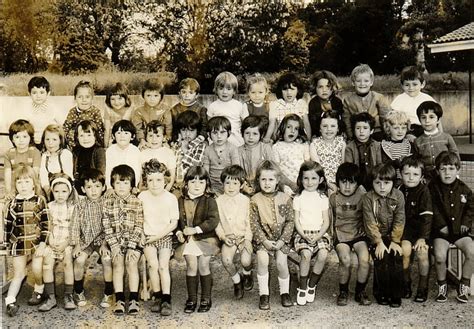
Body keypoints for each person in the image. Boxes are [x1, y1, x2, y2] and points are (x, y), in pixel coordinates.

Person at [3, 164, 49, 316]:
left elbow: (46, 224)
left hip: (36, 243)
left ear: (34, 183)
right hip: (18, 243)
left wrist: (43, 243)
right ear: (15, 185)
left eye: (27, 182)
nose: (23, 186)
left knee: (37, 268)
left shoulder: (39, 201)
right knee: (18, 273)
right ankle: (10, 301)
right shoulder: (12, 204)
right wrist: (6, 242)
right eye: (19, 182)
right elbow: (8, 225)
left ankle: (39, 288)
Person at [249, 160, 295, 310]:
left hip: (282, 239)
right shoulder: (254, 200)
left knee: (281, 262)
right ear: (258, 180)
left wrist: (283, 240)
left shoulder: (285, 198)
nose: (267, 183)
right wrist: (264, 241)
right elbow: (254, 224)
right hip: (264, 240)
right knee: (262, 261)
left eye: (271, 179)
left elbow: (290, 221)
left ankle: (285, 293)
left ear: (277, 180)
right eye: (263, 179)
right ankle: (264, 294)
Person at [429, 151, 474, 303]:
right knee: (440, 257)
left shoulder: (464, 189)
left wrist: (465, 224)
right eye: (443, 169)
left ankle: (464, 284)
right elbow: (432, 208)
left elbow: (471, 208)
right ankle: (442, 286)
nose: (447, 173)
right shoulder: (432, 188)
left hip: (459, 231)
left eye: (451, 169)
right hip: (441, 232)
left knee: (472, 252)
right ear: (437, 170)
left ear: (458, 170)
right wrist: (440, 225)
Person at [175, 166, 220, 313]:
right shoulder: (181, 200)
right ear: (186, 183)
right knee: (192, 265)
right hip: (189, 240)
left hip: (206, 238)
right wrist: (179, 233)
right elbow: (177, 222)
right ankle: (192, 298)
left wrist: (195, 229)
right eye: (193, 182)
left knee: (203, 265)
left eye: (201, 182)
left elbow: (213, 220)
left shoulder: (209, 200)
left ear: (206, 184)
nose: (197, 186)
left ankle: (206, 298)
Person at [139, 159, 179, 315]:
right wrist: (142, 235)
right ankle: (157, 295)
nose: (154, 184)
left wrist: (155, 238)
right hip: (147, 237)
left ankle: (166, 299)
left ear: (165, 181)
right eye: (150, 180)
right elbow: (139, 220)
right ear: (146, 181)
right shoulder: (142, 196)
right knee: (152, 265)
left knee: (163, 266)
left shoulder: (170, 198)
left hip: (164, 237)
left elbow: (173, 224)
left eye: (158, 180)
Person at [103, 165, 144, 315]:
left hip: (133, 242)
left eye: (125, 183)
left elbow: (139, 225)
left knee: (131, 262)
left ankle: (134, 299)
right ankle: (119, 298)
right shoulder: (107, 202)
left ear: (132, 185)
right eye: (118, 182)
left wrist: (132, 246)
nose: (121, 186)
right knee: (118, 263)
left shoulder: (136, 202)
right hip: (115, 242)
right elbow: (106, 225)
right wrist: (114, 246)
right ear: (112, 184)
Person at [362, 163, 405, 308]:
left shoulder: (398, 196)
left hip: (393, 236)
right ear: (372, 183)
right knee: (382, 257)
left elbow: (400, 219)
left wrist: (395, 241)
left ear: (393, 182)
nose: (382, 187)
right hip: (375, 237)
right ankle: (381, 293)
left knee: (396, 256)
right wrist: (378, 242)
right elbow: (370, 223)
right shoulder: (368, 198)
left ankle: (396, 294)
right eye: (377, 183)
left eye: (386, 183)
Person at [69, 168, 113, 309]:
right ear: (83, 189)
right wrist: (76, 245)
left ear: (104, 187)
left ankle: (108, 292)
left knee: (107, 260)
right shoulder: (80, 205)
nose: (93, 191)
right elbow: (75, 226)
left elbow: (110, 226)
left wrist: (106, 244)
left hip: (103, 241)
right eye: (89, 187)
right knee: (79, 260)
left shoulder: (107, 203)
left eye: (97, 186)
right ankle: (78, 291)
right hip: (85, 240)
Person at [330, 163, 371, 306]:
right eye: (343, 182)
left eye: (352, 182)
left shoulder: (363, 195)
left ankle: (360, 291)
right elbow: (329, 218)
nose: (347, 186)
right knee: (345, 259)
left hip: (358, 233)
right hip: (341, 234)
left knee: (365, 259)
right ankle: (343, 291)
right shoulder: (333, 198)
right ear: (338, 182)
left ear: (358, 183)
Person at [294, 161, 331, 306]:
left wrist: (318, 235)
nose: (309, 182)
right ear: (301, 179)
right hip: (303, 232)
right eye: (306, 178)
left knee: (323, 254)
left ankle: (312, 285)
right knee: (306, 254)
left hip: (320, 232)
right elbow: (297, 221)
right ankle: (302, 287)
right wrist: (303, 235)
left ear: (321, 180)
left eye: (314, 178)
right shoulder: (298, 198)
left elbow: (326, 222)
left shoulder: (323, 198)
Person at [38, 173, 77, 311]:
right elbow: (46, 226)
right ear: (52, 192)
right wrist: (50, 240)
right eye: (56, 191)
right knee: (47, 263)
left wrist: (66, 243)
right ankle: (51, 297)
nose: (60, 195)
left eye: (64, 191)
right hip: (52, 240)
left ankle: (68, 295)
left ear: (69, 192)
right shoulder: (48, 206)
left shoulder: (73, 208)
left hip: (67, 242)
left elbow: (74, 229)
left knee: (68, 262)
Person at [215, 165, 253, 299]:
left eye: (235, 183)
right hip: (228, 237)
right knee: (226, 260)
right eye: (227, 183)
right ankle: (237, 281)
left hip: (243, 237)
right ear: (223, 184)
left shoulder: (246, 201)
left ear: (242, 185)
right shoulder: (218, 201)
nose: (231, 187)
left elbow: (250, 223)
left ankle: (247, 273)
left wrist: (247, 239)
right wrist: (223, 236)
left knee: (246, 261)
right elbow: (217, 223)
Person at [399, 156, 433, 303]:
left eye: (415, 174)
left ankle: (422, 287)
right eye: (407, 174)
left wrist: (422, 237)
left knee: (422, 253)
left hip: (421, 232)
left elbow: (427, 218)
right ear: (400, 174)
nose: (411, 178)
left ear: (422, 176)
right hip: (405, 231)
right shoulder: (398, 190)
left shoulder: (424, 191)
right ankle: (406, 283)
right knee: (405, 251)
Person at [342, 64, 390, 140]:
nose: (362, 84)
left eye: (366, 81)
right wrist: (350, 137)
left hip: (376, 132)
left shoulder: (379, 97)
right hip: (358, 134)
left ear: (371, 82)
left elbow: (385, 118)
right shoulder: (348, 100)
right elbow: (346, 121)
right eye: (358, 81)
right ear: (353, 83)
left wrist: (387, 136)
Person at [414, 101, 458, 182]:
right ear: (419, 120)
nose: (427, 121)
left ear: (438, 120)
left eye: (431, 117)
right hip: (427, 179)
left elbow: (455, 156)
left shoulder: (447, 137)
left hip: (445, 175)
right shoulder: (418, 141)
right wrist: (421, 176)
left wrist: (455, 173)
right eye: (423, 117)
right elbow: (417, 162)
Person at [390, 66, 438, 137]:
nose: (411, 88)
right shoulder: (399, 100)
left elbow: (437, 119)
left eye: (415, 84)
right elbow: (393, 120)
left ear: (422, 84)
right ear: (402, 85)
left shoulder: (428, 99)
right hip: (406, 130)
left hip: (425, 128)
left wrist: (441, 135)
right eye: (407, 85)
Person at [264, 72, 311, 142]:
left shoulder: (301, 103)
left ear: (298, 90)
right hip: (281, 139)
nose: (289, 93)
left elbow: (306, 124)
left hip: (299, 139)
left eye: (292, 89)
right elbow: (272, 124)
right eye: (285, 89)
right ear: (281, 90)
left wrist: (309, 140)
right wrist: (267, 138)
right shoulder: (275, 105)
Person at [207, 71, 248, 147]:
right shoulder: (213, 106)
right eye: (221, 88)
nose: (224, 92)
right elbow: (210, 125)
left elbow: (246, 123)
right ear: (216, 89)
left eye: (229, 89)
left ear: (234, 91)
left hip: (235, 138)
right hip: (218, 137)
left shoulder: (239, 105)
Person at [309, 110, 346, 195]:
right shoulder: (314, 144)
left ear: (338, 129)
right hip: (322, 181)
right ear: (320, 128)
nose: (329, 129)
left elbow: (343, 166)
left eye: (333, 126)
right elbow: (318, 169)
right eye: (325, 126)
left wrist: (338, 184)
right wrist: (328, 184)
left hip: (339, 181)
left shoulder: (342, 143)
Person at [272, 114, 310, 194]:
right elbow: (277, 171)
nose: (292, 131)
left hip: (302, 181)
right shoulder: (277, 147)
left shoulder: (303, 145)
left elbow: (308, 166)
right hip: (286, 182)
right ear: (283, 128)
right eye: (289, 127)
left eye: (296, 129)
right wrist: (290, 184)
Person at [344, 112, 383, 190]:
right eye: (358, 128)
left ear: (371, 131)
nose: (361, 131)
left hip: (374, 181)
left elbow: (379, 165)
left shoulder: (377, 145)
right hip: (357, 182)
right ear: (354, 130)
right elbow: (349, 169)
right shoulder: (350, 147)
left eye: (365, 128)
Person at [171, 111, 207, 193]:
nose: (187, 134)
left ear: (197, 131)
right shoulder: (176, 144)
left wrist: (185, 149)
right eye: (183, 130)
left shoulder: (201, 145)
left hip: (193, 186)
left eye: (191, 131)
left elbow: (197, 165)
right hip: (175, 185)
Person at [202, 116, 240, 195]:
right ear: (209, 134)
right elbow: (206, 170)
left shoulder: (233, 149)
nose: (219, 136)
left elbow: (236, 169)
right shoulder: (207, 150)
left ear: (229, 133)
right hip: (213, 185)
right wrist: (208, 185)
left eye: (222, 132)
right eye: (215, 133)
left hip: (229, 184)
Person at [4, 119, 41, 197]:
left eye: (24, 137)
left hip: (30, 184)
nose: (21, 140)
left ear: (30, 138)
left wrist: (31, 189)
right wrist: (9, 191)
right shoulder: (9, 154)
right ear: (12, 139)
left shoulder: (35, 152)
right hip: (16, 184)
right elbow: (7, 174)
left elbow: (35, 173)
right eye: (17, 137)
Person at [63, 80, 105, 149]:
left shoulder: (95, 111)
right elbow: (66, 127)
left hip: (91, 141)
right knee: (71, 132)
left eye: (87, 97)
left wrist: (101, 146)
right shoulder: (73, 112)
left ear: (92, 98)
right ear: (75, 98)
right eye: (80, 97)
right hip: (76, 143)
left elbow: (100, 129)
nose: (84, 100)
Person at [238, 115, 274, 195]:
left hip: (264, 185)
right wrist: (244, 186)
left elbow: (272, 169)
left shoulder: (266, 148)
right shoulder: (238, 151)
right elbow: (238, 173)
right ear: (242, 134)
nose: (250, 137)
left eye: (255, 134)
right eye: (247, 133)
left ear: (261, 135)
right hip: (244, 187)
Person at [131, 78, 172, 147]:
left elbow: (168, 126)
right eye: (148, 95)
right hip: (144, 141)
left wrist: (166, 139)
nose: (152, 99)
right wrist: (142, 140)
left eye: (156, 96)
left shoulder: (165, 109)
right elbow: (138, 128)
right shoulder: (139, 111)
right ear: (143, 96)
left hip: (162, 141)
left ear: (161, 97)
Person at [381, 110, 417, 186]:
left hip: (409, 180)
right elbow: (384, 164)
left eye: (403, 128)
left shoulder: (409, 144)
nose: (400, 131)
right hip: (392, 180)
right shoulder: (384, 145)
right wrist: (397, 162)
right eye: (396, 128)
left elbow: (415, 161)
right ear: (388, 128)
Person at [140, 120, 177, 191]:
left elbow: (172, 177)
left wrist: (165, 192)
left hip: (165, 189)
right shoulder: (143, 153)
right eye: (150, 136)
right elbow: (141, 177)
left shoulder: (168, 153)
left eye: (158, 136)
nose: (154, 139)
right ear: (146, 137)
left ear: (164, 137)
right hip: (147, 190)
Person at [39, 124, 73, 198]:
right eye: (47, 139)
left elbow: (68, 176)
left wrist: (58, 193)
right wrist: (48, 191)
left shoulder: (65, 154)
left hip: (64, 190)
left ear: (60, 140)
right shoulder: (45, 156)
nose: (50, 143)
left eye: (54, 139)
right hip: (50, 191)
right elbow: (43, 175)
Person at [72, 120, 106, 193]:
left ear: (95, 136)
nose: (85, 139)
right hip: (78, 185)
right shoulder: (75, 151)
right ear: (77, 137)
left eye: (89, 135)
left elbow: (101, 172)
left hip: (94, 185)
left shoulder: (99, 151)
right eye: (81, 135)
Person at [24, 76, 60, 146]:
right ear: (29, 94)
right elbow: (22, 126)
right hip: (33, 142)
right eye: (34, 93)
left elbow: (62, 125)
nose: (38, 96)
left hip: (50, 142)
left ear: (48, 93)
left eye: (41, 92)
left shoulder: (53, 108)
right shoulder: (27, 108)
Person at [105, 120, 141, 188]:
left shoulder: (135, 151)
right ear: (113, 136)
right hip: (114, 186)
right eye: (118, 133)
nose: (122, 136)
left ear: (132, 136)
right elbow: (107, 171)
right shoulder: (110, 151)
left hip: (130, 186)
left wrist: (134, 186)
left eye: (126, 133)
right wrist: (109, 187)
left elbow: (137, 171)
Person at [308, 70, 344, 138]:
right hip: (319, 135)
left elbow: (341, 120)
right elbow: (313, 123)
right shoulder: (313, 103)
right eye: (320, 87)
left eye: (328, 86)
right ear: (315, 88)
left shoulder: (337, 102)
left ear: (333, 87)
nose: (324, 90)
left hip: (336, 134)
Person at [104, 82, 133, 147]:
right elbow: (107, 130)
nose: (116, 102)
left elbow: (133, 128)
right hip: (113, 137)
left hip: (127, 137)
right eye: (113, 99)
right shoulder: (108, 109)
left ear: (125, 98)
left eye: (120, 98)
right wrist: (105, 147)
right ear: (109, 100)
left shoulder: (130, 109)